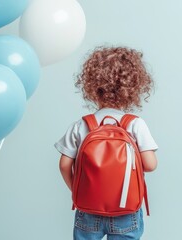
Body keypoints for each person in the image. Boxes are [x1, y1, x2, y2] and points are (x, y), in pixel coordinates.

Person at [55, 46, 158, 240]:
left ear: (92, 87)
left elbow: (64, 165)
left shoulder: (81, 125)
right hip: (125, 210)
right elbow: (150, 165)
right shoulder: (135, 124)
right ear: (134, 88)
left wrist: (77, 190)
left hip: (88, 208)